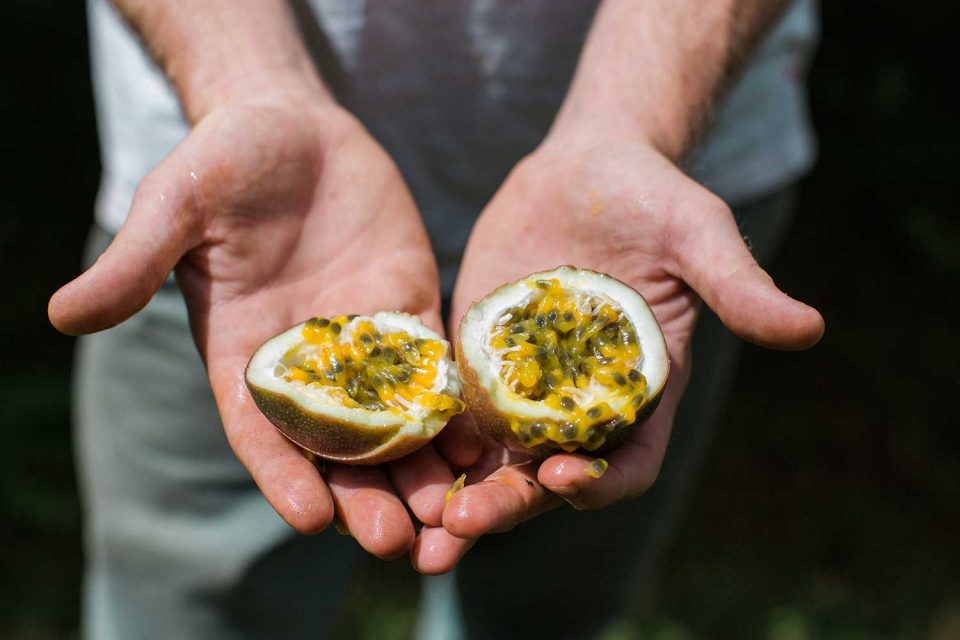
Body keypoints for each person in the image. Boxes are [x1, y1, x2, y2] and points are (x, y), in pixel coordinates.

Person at [51, 0, 825, 638]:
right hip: (249, 220)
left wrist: (637, 123)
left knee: (544, 616)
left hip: (652, 186)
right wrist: (250, 84)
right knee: (190, 612)